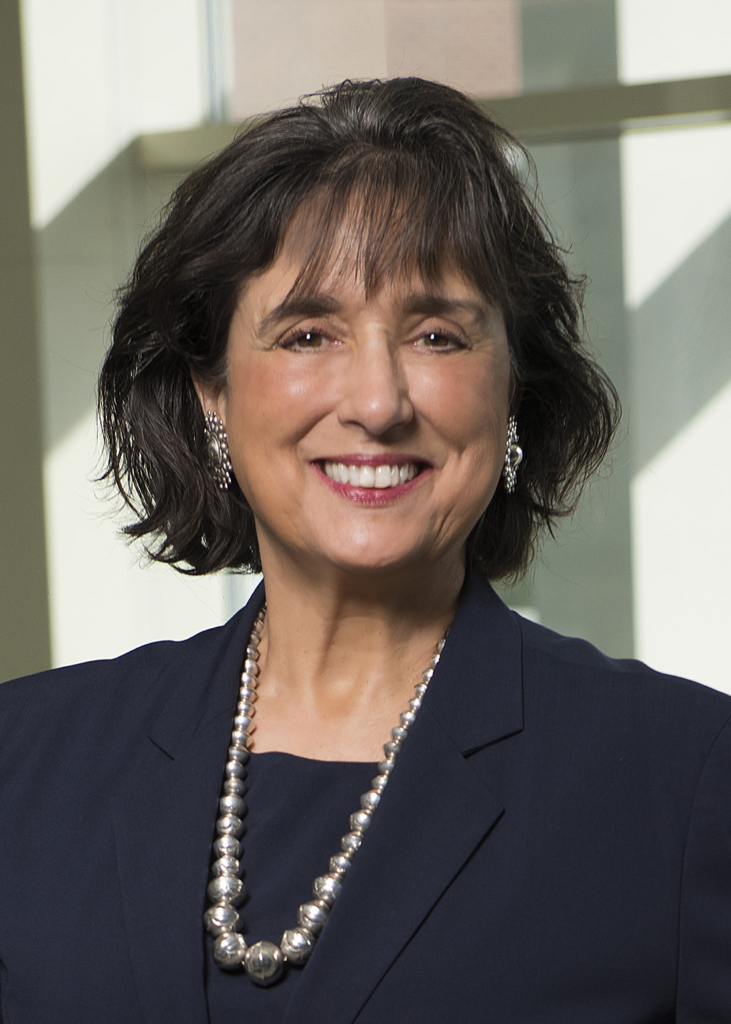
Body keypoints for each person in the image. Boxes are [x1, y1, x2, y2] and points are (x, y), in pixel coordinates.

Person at [1, 77, 729, 1024]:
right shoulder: (25, 761)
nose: (378, 403)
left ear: (513, 389)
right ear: (211, 394)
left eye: (437, 335)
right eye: (308, 333)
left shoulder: (683, 783)